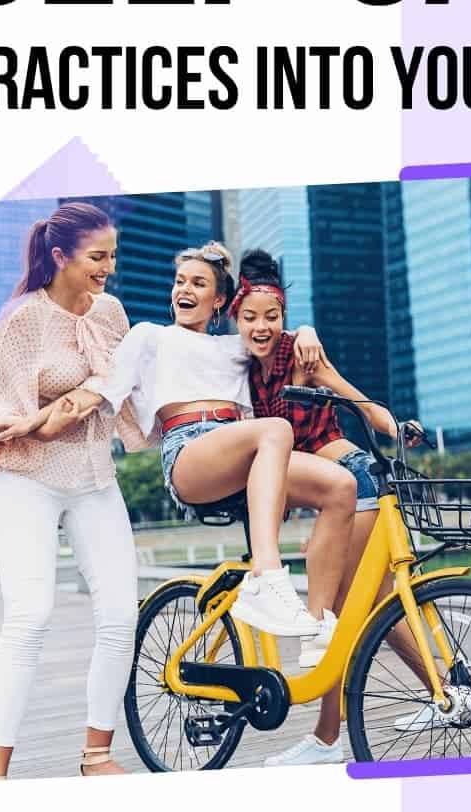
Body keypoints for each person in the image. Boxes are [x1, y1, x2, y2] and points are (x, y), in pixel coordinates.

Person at [52, 242, 359, 649]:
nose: (185, 290)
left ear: (219, 301)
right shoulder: (150, 337)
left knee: (342, 487)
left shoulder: (236, 348)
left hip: (241, 454)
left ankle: (316, 629)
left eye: (199, 283)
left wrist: (307, 331)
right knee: (276, 430)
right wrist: (34, 422)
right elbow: (100, 393)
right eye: (181, 281)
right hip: (189, 452)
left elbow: (272, 325)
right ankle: (267, 577)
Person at [232, 249, 439, 767]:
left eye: (272, 316)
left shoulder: (298, 353)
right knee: (375, 606)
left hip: (357, 483)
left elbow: (352, 396)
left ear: (283, 315)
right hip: (340, 487)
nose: (262, 326)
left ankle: (327, 740)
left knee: (342, 617)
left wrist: (394, 425)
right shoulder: (238, 367)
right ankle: (445, 693)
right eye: (251, 316)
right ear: (235, 314)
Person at [0, 202, 145, 779]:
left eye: (112, 256)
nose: (108, 268)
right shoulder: (21, 319)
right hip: (28, 478)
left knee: (120, 613)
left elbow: (118, 381)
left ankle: (96, 755)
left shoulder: (111, 312)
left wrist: (64, 408)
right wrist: (17, 421)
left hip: (93, 475)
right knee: (31, 615)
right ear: (60, 256)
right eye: (98, 257)